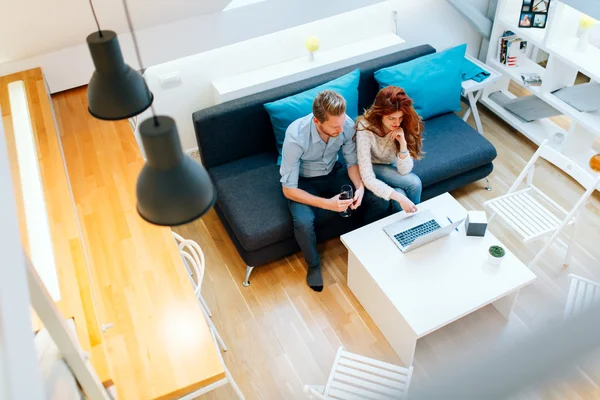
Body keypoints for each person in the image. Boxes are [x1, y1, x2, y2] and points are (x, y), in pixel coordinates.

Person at [280, 90, 390, 292]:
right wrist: (328, 204)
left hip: (333, 171)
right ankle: (313, 266)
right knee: (303, 223)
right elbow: (288, 189)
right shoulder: (295, 136)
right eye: (334, 126)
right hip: (303, 182)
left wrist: (360, 187)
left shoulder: (345, 125)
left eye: (342, 123)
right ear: (317, 121)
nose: (341, 129)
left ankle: (362, 246)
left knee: (380, 201)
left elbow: (351, 163)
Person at [356, 86, 424, 214]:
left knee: (401, 194)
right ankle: (414, 222)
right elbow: (367, 178)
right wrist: (402, 199)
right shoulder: (365, 128)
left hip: (390, 166)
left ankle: (412, 227)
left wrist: (402, 143)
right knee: (413, 183)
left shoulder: (404, 124)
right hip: (370, 166)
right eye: (391, 118)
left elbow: (404, 170)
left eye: (400, 117)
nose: (397, 123)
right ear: (380, 114)